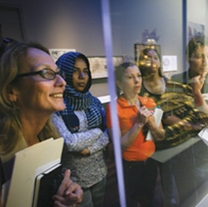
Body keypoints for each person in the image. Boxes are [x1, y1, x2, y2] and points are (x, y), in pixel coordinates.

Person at [0, 41, 83, 207]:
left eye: (58, 74)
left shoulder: (48, 138)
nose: (62, 82)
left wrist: (65, 194)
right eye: (46, 73)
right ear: (11, 91)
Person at [53, 52, 109, 207]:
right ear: (64, 72)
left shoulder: (94, 103)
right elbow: (70, 142)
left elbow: (109, 132)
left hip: (99, 172)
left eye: (86, 71)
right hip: (74, 181)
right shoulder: (57, 105)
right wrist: (97, 132)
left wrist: (89, 149)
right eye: (75, 71)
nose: (82, 76)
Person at [106, 62, 164, 207]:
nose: (137, 81)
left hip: (151, 160)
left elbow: (161, 135)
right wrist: (138, 124)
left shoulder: (149, 102)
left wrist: (151, 124)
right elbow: (119, 146)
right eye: (130, 77)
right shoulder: (113, 108)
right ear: (119, 83)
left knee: (149, 199)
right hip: (130, 166)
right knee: (131, 201)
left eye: (138, 76)